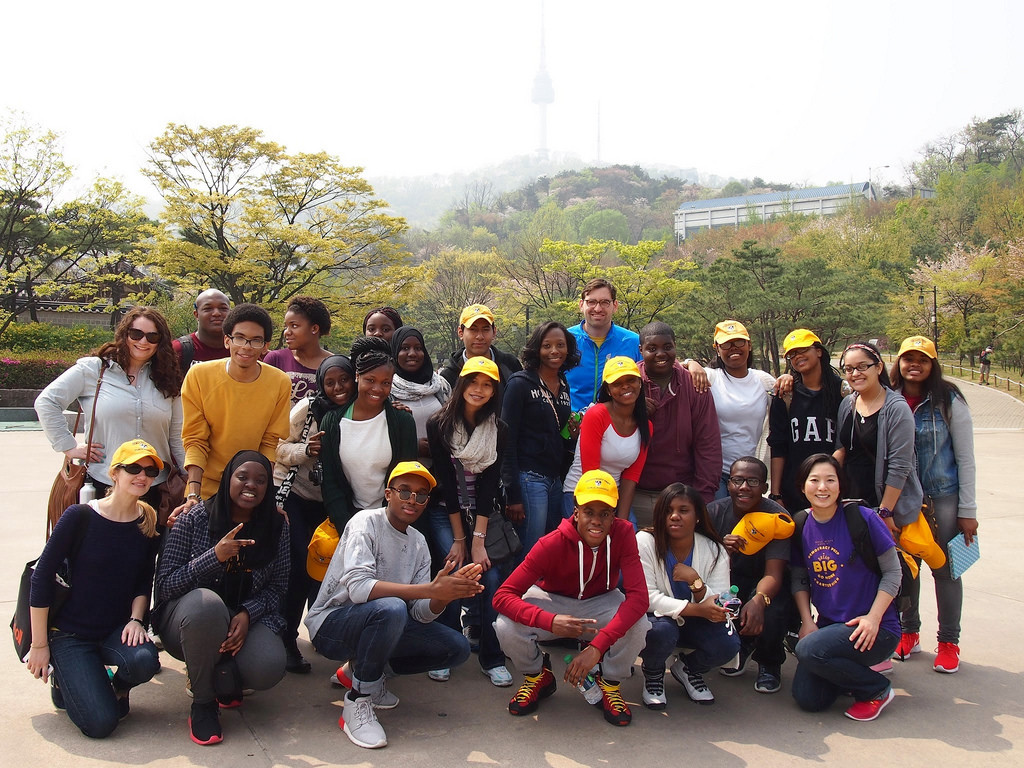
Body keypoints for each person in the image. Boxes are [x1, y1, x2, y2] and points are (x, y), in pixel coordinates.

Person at [304, 462, 479, 749]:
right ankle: (358, 700)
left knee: (456, 648)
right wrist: (428, 589)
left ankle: (360, 672)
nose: (412, 500)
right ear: (388, 493)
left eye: (421, 495)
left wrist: (444, 596)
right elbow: (359, 589)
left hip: (381, 620)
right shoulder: (364, 522)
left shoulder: (419, 543)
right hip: (332, 626)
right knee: (392, 608)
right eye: (405, 491)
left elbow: (420, 614)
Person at [25, 439, 162, 738]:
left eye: (150, 471)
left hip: (114, 629)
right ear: (114, 473)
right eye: (133, 468)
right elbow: (42, 577)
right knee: (101, 725)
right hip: (71, 634)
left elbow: (143, 580)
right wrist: (39, 646)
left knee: (144, 661)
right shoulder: (80, 516)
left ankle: (118, 688)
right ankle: (63, 680)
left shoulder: (148, 522)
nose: (142, 476)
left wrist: (137, 620)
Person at [494, 470, 650, 727]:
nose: (596, 521)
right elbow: (502, 596)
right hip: (552, 599)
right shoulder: (551, 543)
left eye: (605, 513)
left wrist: (597, 648)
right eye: (589, 511)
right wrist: (549, 620)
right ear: (576, 512)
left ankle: (609, 682)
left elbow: (639, 599)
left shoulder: (623, 535)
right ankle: (536, 676)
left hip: (601, 600)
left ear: (614, 514)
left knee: (639, 622)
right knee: (505, 625)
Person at [154, 450, 289, 746]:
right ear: (228, 479)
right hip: (190, 620)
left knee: (268, 666)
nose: (250, 485)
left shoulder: (277, 526)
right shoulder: (194, 518)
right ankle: (203, 703)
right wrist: (213, 557)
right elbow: (165, 586)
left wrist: (247, 613)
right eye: (242, 477)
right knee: (208, 606)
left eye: (261, 480)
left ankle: (223, 677)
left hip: (240, 619)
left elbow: (278, 588)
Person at [35, 307, 186, 512]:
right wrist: (69, 447)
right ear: (124, 334)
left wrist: (190, 479)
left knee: (150, 543)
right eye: (136, 334)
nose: (143, 342)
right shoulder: (93, 370)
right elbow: (47, 401)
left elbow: (176, 436)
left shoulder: (168, 380)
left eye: (152, 336)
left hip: (154, 486)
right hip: (103, 481)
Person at [790, 454, 901, 722]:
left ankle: (877, 689)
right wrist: (807, 622)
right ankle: (850, 673)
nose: (822, 488)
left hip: (875, 628)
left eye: (830, 480)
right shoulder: (802, 523)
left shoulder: (862, 517)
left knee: (807, 651)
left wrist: (874, 619)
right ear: (802, 486)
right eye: (814, 480)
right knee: (808, 698)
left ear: (841, 485)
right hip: (830, 627)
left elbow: (893, 573)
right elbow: (799, 578)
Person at [890, 335, 977, 673]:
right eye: (908, 358)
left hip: (943, 496)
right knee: (907, 568)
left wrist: (968, 511)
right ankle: (910, 632)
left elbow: (966, 458)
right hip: (903, 498)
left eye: (922, 359)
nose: (914, 365)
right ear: (898, 362)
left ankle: (949, 642)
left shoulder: (948, 399)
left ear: (932, 364)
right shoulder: (890, 397)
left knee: (946, 570)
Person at [426, 357, 512, 686]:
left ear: (494, 391)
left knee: (489, 581)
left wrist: (477, 540)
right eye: (473, 382)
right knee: (451, 571)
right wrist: (460, 541)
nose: (479, 390)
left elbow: (489, 486)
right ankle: (446, 650)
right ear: (461, 385)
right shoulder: (439, 424)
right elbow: (446, 481)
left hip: (482, 514)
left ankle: (491, 657)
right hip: (445, 511)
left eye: (487, 384)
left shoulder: (498, 430)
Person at [273, 354, 356, 674]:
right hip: (298, 496)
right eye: (330, 382)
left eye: (344, 380)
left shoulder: (362, 410)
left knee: (326, 571)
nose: (338, 388)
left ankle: (321, 631)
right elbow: (279, 448)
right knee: (297, 565)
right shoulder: (307, 409)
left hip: (335, 502)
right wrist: (306, 449)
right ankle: (285, 638)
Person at [176, 303, 291, 515]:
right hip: (207, 486)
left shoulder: (280, 382)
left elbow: (269, 442)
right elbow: (195, 439)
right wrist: (193, 493)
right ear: (227, 340)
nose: (246, 346)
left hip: (251, 490)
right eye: (239, 338)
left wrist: (265, 498)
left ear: (266, 346)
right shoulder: (199, 376)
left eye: (255, 340)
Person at [637, 483, 739, 708]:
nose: (674, 516)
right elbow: (647, 598)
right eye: (668, 510)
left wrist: (696, 582)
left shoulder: (715, 550)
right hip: (659, 620)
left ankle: (688, 668)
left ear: (698, 517)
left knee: (729, 644)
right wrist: (697, 609)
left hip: (697, 623)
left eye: (683, 510)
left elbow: (720, 599)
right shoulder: (645, 542)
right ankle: (653, 673)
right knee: (660, 631)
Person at [706, 456, 792, 694]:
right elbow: (698, 562)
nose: (744, 487)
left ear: (764, 488)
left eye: (753, 481)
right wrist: (720, 549)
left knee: (772, 609)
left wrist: (758, 600)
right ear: (729, 483)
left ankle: (770, 662)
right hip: (728, 582)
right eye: (737, 480)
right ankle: (741, 647)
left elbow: (774, 573)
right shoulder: (714, 511)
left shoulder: (778, 517)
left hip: (765, 583)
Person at [318, 336, 418, 532]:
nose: (377, 389)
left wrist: (389, 528)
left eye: (385, 383)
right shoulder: (332, 422)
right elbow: (330, 483)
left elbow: (406, 480)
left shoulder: (402, 421)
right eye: (370, 380)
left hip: (392, 521)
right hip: (348, 520)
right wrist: (348, 529)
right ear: (357, 376)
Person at [501, 321, 578, 555]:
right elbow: (507, 438)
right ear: (537, 349)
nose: (554, 351)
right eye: (547, 345)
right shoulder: (520, 384)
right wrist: (513, 493)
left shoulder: (564, 384)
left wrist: (571, 435)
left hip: (555, 479)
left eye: (560, 345)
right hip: (529, 477)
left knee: (550, 547)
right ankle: (515, 592)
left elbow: (555, 434)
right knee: (531, 549)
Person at [634, 321, 721, 523]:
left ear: (675, 346)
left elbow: (708, 445)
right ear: (641, 350)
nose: (660, 354)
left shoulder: (695, 385)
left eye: (667, 347)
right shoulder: (629, 382)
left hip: (681, 494)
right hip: (634, 493)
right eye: (652, 348)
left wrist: (702, 497)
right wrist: (633, 411)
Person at [833, 341, 923, 531]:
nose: (855, 374)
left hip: (885, 508)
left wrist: (885, 512)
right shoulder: (847, 404)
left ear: (879, 367)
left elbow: (900, 466)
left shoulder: (897, 408)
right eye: (849, 369)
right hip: (851, 503)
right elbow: (841, 449)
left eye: (862, 366)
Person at [684, 320, 779, 499]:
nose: (733, 348)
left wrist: (788, 377)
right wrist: (691, 363)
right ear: (717, 349)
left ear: (749, 345)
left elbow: (785, 403)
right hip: (715, 473)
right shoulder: (710, 377)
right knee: (717, 523)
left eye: (739, 342)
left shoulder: (763, 381)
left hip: (749, 475)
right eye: (726, 344)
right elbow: (673, 368)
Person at [561, 357, 650, 520]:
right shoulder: (596, 415)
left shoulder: (646, 426)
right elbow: (591, 472)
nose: (625, 386)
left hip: (613, 498)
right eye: (617, 383)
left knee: (629, 536)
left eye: (631, 380)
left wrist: (622, 521)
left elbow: (631, 478)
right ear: (608, 390)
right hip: (582, 496)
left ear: (640, 383)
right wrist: (603, 517)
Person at [767, 329, 843, 513]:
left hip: (833, 490)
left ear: (818, 351)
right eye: (792, 354)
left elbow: (846, 444)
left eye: (802, 350)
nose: (797, 356)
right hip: (794, 490)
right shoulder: (786, 395)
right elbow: (779, 446)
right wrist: (776, 494)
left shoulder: (842, 392)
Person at [565, 278, 641, 412]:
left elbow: (659, 366)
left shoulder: (633, 341)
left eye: (605, 302)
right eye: (591, 302)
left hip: (618, 426)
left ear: (615, 305)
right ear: (581, 305)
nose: (598, 308)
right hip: (569, 427)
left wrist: (688, 362)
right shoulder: (565, 340)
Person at [390, 326, 451, 461]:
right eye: (405, 348)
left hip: (440, 469)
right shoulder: (386, 388)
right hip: (403, 471)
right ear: (394, 352)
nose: (412, 353)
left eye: (418, 348)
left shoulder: (441, 385)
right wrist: (413, 446)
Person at [263, 296, 334, 404]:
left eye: (294, 326)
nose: (287, 332)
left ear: (314, 328)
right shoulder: (275, 359)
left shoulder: (334, 364)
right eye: (286, 326)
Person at [438, 303, 522, 387]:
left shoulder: (510, 365)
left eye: (485, 329)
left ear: (494, 332)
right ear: (460, 333)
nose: (479, 336)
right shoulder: (448, 377)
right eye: (473, 329)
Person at [173, 289, 231, 371]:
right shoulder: (178, 350)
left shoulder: (242, 349)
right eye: (208, 309)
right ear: (196, 314)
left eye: (223, 308)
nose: (216, 313)